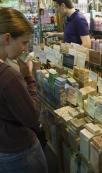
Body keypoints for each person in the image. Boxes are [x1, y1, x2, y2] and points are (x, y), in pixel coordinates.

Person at [0, 7, 48, 173]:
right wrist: (28, 77)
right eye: (24, 42)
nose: (25, 49)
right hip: (21, 153)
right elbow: (32, 117)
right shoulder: (9, 76)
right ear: (7, 38)